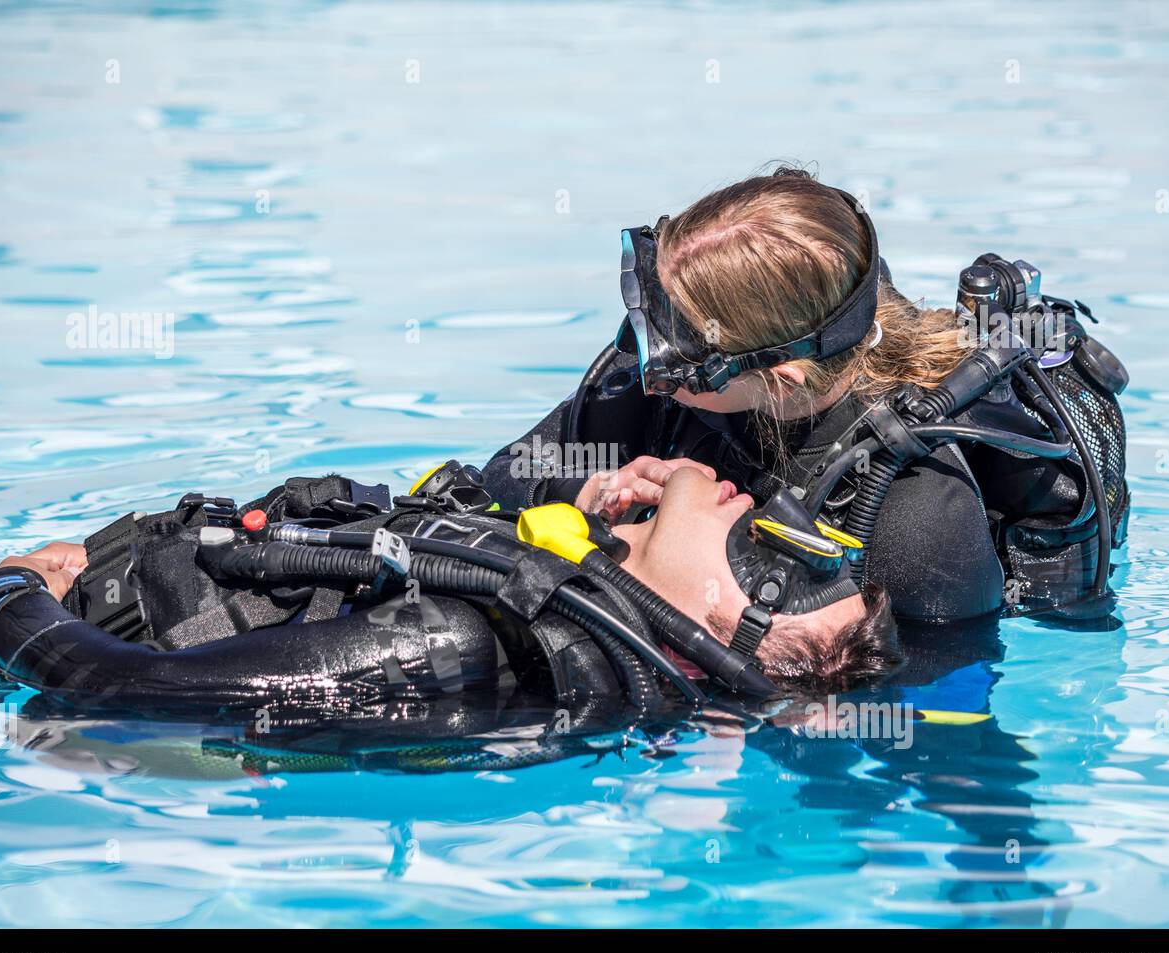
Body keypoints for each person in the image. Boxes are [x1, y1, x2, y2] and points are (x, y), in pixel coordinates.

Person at [480, 166, 1130, 623]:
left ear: (779, 378)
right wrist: (583, 496)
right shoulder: (669, 391)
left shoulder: (917, 518)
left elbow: (937, 734)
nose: (644, 363)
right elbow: (499, 483)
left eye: (675, 356)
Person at [0, 461, 901, 710]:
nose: (782, 519)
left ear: (708, 616)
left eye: (789, 567)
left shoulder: (451, 645)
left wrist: (9, 590)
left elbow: (104, 688)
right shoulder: (548, 590)